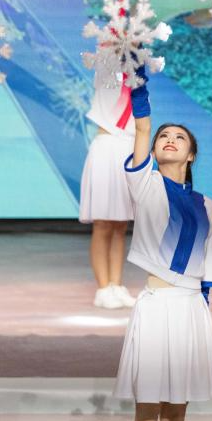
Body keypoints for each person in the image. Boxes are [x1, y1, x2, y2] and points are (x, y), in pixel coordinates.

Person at [114, 65, 212, 421]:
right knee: (147, 415)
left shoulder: (208, 206)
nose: (169, 140)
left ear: (191, 153)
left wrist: (202, 321)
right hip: (157, 308)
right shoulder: (147, 185)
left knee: (177, 415)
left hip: (190, 312)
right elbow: (141, 127)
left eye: (180, 137)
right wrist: (138, 82)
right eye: (164, 137)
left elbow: (208, 275)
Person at [79, 68, 138, 309]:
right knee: (103, 224)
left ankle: (116, 285)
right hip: (106, 147)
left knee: (121, 225)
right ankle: (102, 289)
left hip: (129, 149)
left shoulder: (138, 77)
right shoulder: (107, 70)